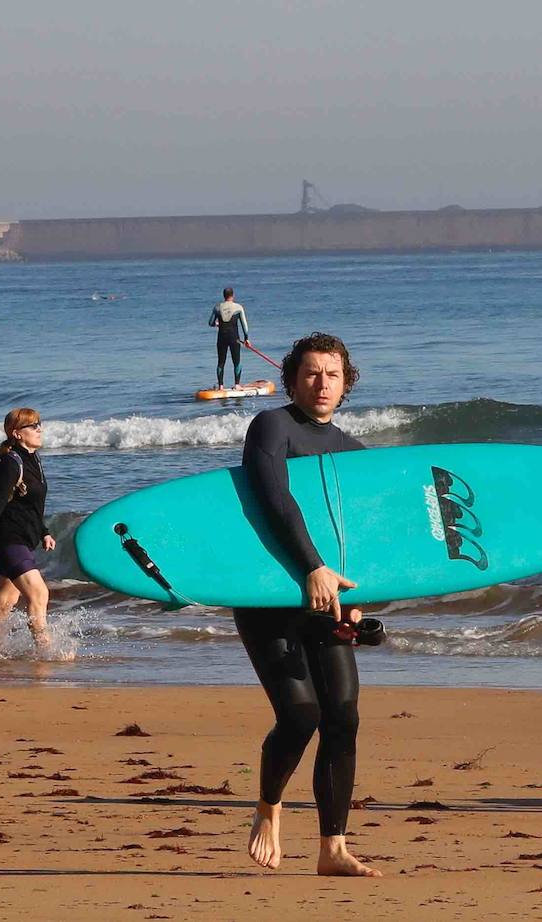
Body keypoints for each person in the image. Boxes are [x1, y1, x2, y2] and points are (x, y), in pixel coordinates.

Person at [235, 331, 381, 878]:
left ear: (347, 384)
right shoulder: (272, 427)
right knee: (301, 714)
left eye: (334, 374)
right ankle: (269, 807)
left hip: (327, 603)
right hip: (269, 594)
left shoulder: (351, 452)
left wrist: (364, 602)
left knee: (342, 717)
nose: (323, 383)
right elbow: (275, 498)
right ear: (292, 379)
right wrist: (311, 567)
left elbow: (367, 541)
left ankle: (333, 848)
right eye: (313, 372)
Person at [0, 407, 56, 655]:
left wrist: (44, 531)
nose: (39, 429)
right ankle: (45, 652)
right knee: (39, 593)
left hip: (24, 539)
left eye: (39, 424)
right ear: (17, 433)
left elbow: (31, 504)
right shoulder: (11, 465)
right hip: (9, 540)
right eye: (32, 426)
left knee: (3, 607)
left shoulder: (34, 461)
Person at [208, 287, 250, 388]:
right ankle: (237, 385)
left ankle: (221, 386)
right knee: (237, 361)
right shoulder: (238, 307)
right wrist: (246, 338)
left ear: (224, 296)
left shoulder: (217, 307)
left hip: (221, 337)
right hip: (234, 338)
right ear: (233, 295)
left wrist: (216, 324)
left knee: (221, 362)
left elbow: (210, 323)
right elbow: (245, 325)